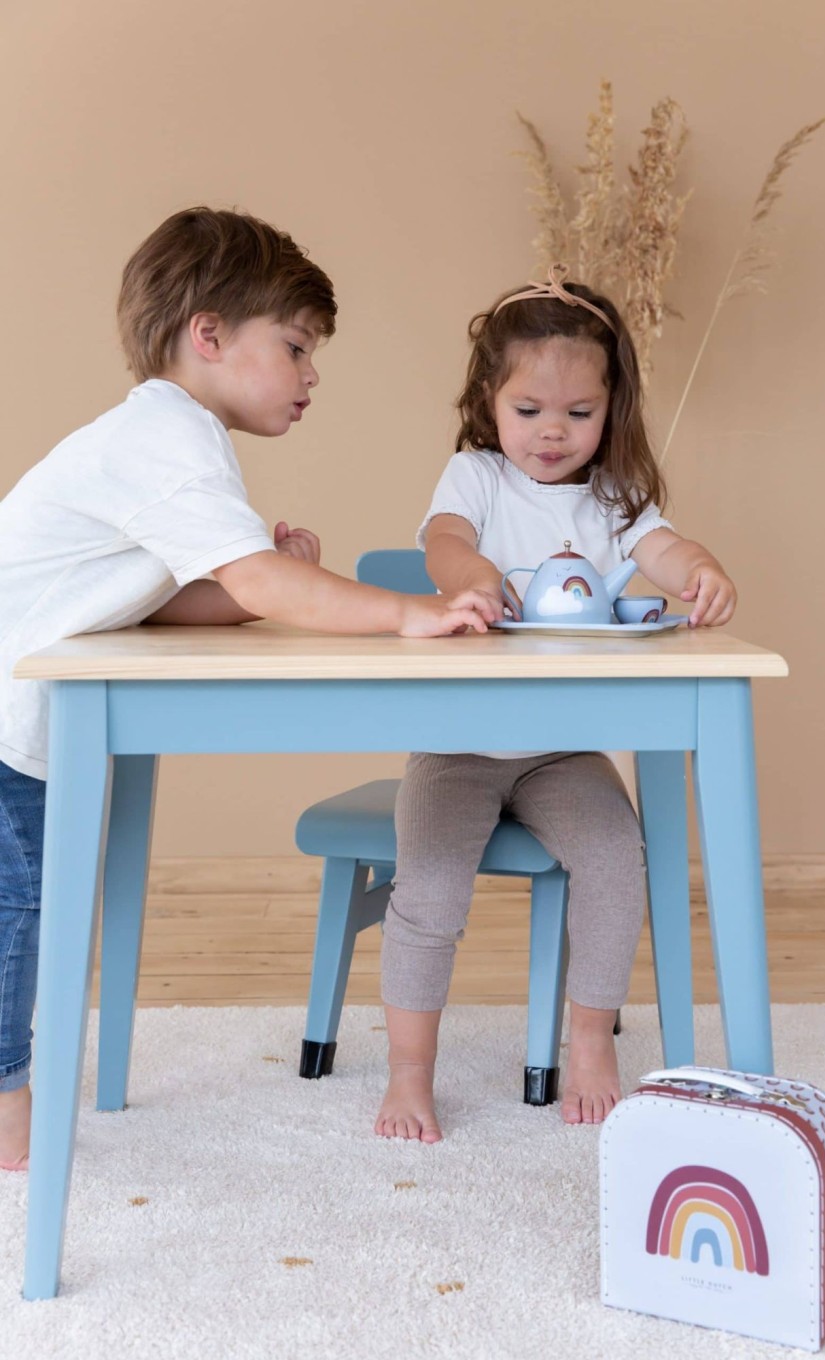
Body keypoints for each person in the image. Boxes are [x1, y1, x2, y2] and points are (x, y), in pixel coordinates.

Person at [0, 207, 498, 1172]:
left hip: (26, 709)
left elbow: (177, 595)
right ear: (210, 335)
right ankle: (8, 1111)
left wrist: (240, 588)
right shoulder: (166, 436)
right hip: (2, 712)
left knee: (26, 901)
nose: (313, 374)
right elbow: (256, 585)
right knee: (17, 908)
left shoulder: (173, 441)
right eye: (297, 346)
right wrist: (404, 612)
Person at [374, 264, 736, 1143]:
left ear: (611, 410)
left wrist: (699, 572)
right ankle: (409, 1075)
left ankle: (589, 1042)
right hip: (456, 745)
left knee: (618, 856)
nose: (552, 432)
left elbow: (664, 546)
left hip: (562, 750)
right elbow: (445, 543)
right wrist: (475, 580)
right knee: (428, 887)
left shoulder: (615, 498)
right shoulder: (476, 478)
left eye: (579, 413)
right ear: (490, 400)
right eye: (529, 410)